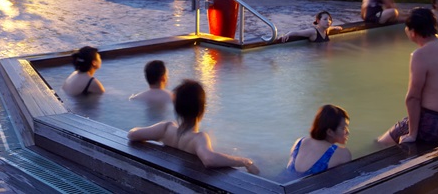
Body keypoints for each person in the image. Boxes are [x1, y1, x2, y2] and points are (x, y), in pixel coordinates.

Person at [128, 80, 259, 174]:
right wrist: (244, 161)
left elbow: (132, 134)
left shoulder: (166, 128)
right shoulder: (199, 138)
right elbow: (209, 159)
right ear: (201, 110)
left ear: (177, 109)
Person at [378, 8, 438, 146]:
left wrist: (412, 134)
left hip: (433, 127)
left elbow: (413, 98)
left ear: (412, 32)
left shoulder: (420, 54)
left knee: (380, 143)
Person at [280, 105, 352, 180]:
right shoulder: (342, 153)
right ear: (330, 132)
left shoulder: (299, 142)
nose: (347, 132)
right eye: (343, 128)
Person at [277, 11, 342, 43]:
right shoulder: (313, 32)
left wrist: (336, 27)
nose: (328, 21)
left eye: (329, 19)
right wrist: (286, 35)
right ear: (318, 21)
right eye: (325, 19)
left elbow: (332, 28)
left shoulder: (327, 30)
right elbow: (296, 33)